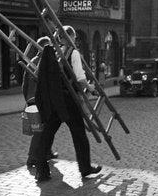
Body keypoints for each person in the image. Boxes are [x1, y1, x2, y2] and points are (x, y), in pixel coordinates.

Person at [34, 25, 102, 182]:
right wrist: (91, 88)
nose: (75, 40)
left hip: (56, 98)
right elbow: (80, 78)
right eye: (74, 37)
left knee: (47, 133)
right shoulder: (74, 52)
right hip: (69, 99)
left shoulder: (56, 51)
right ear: (71, 37)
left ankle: (41, 170)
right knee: (79, 135)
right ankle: (85, 168)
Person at [22, 36, 58, 169]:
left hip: (33, 100)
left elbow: (24, 85)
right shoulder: (45, 61)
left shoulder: (32, 61)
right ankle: (31, 158)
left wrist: (27, 99)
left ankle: (47, 152)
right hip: (40, 101)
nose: (52, 48)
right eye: (49, 46)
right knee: (39, 131)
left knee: (47, 128)